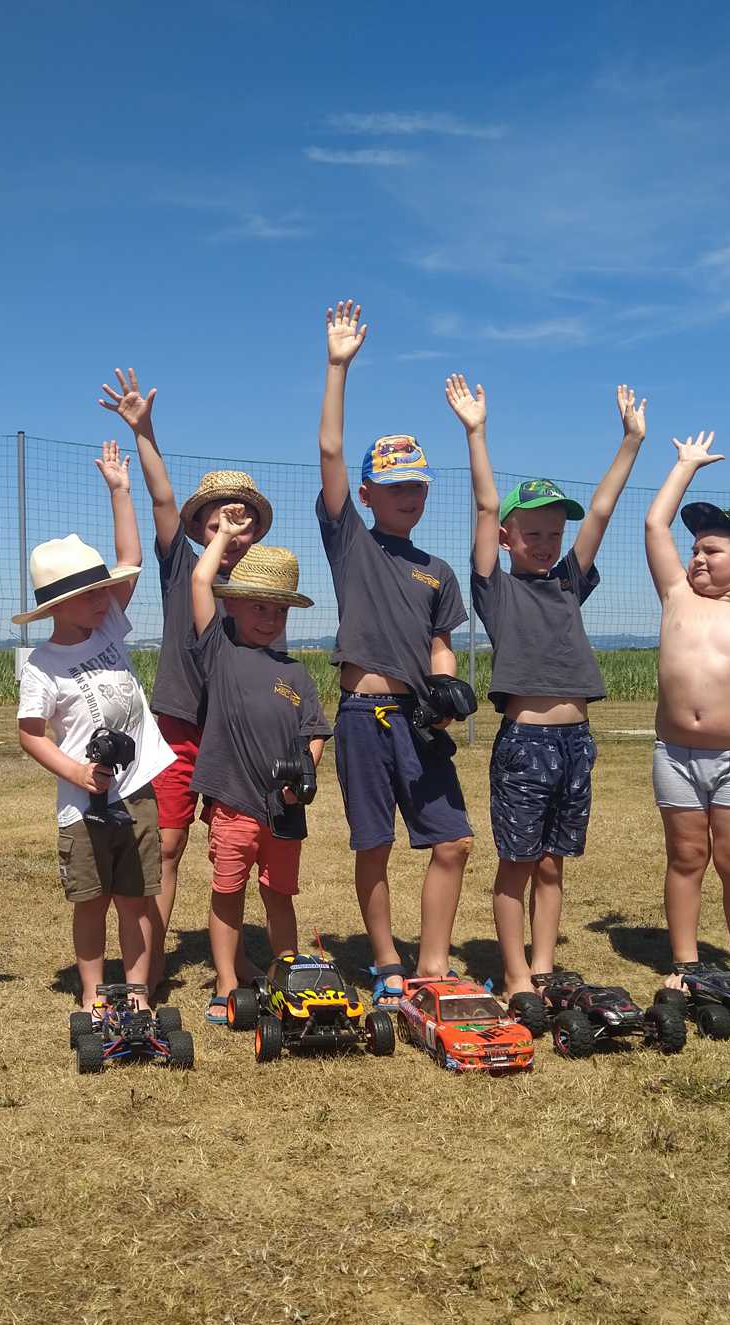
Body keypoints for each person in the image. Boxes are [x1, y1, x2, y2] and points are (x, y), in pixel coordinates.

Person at [449, 374, 647, 993]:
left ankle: (543, 969)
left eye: (553, 533)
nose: (544, 543)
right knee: (517, 864)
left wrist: (630, 441)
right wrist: (476, 433)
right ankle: (514, 976)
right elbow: (485, 506)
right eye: (530, 533)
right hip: (526, 745)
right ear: (507, 537)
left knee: (554, 865)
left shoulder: (568, 582)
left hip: (576, 745)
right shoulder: (495, 588)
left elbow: (606, 509)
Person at [315, 299, 472, 1004]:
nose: (409, 495)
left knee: (453, 841)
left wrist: (446, 694)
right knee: (372, 844)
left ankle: (433, 960)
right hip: (360, 717)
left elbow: (442, 645)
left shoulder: (437, 570)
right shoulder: (352, 541)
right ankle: (385, 959)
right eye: (395, 485)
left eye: (418, 485)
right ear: (370, 492)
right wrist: (338, 367)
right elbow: (329, 453)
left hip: (418, 721)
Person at [97, 368, 272, 998]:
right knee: (165, 848)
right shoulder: (180, 564)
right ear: (198, 528)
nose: (231, 525)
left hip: (237, 736)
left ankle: (235, 959)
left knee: (237, 853)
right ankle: (149, 971)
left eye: (245, 516)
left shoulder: (261, 584)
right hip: (175, 726)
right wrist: (145, 432)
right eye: (219, 518)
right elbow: (164, 498)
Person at [15, 442, 176, 1010]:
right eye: (91, 594)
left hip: (137, 794)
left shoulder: (108, 629)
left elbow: (130, 554)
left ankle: (136, 991)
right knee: (90, 901)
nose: (105, 598)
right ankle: (91, 993)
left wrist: (119, 489)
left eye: (104, 589)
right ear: (58, 606)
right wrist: (76, 772)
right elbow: (31, 732)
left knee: (136, 901)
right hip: (82, 806)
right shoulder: (41, 666)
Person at [643, 432, 730, 992]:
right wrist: (684, 467)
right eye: (695, 549)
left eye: (712, 550)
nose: (697, 557)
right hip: (676, 757)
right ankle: (685, 962)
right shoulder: (677, 597)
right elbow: (656, 526)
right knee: (686, 857)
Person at [187, 505, 332, 1023]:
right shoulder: (219, 651)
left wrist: (304, 773)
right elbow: (201, 582)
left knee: (279, 894)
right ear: (234, 607)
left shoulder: (296, 673)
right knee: (228, 892)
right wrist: (224, 536)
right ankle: (227, 980)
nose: (270, 620)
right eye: (259, 609)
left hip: (284, 812)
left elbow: (314, 733)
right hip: (233, 804)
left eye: (280, 612)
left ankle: (286, 973)